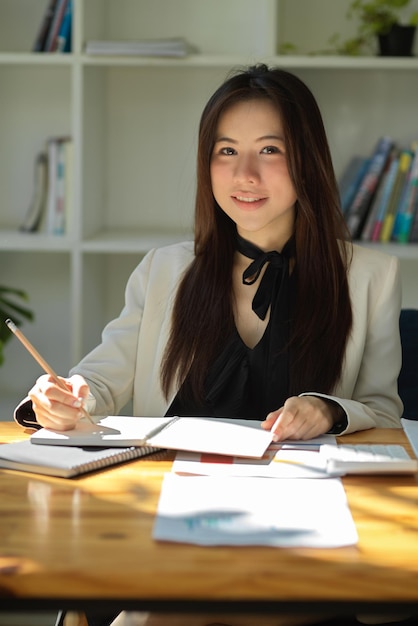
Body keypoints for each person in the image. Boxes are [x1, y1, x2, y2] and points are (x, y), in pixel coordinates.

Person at [15, 65, 406, 626]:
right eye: (226, 151)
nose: (244, 173)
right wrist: (65, 396)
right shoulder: (164, 271)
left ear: (308, 160)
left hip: (299, 525)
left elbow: (385, 414)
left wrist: (329, 409)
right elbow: (97, 382)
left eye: (269, 150)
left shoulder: (369, 278)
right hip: (166, 511)